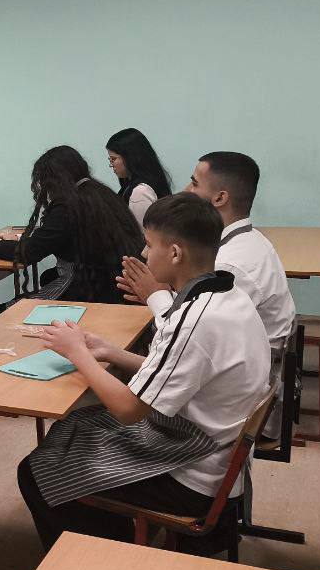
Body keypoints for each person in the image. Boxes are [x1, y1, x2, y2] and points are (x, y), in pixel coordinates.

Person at [16, 193, 270, 551]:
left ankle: (98, 561)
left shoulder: (194, 320)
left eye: (149, 245)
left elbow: (129, 409)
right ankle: (114, 536)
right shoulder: (228, 294)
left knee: (36, 471)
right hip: (212, 449)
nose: (144, 253)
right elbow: (181, 371)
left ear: (175, 253)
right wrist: (110, 353)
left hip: (192, 475)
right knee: (70, 428)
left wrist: (78, 354)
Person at [118, 151, 296, 345]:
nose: (186, 191)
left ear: (219, 198)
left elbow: (189, 337)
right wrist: (157, 292)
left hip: (242, 359)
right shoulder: (249, 237)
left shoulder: (227, 266)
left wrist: (156, 296)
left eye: (194, 183)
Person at [0, 146, 143, 307]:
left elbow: (30, 252)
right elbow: (57, 236)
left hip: (91, 290)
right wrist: (20, 238)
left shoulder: (68, 205)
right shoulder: (99, 192)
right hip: (113, 284)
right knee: (48, 277)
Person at [106, 127, 171, 226]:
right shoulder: (129, 186)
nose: (111, 165)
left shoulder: (141, 192)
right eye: (110, 159)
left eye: (113, 159)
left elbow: (141, 233)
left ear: (130, 157)